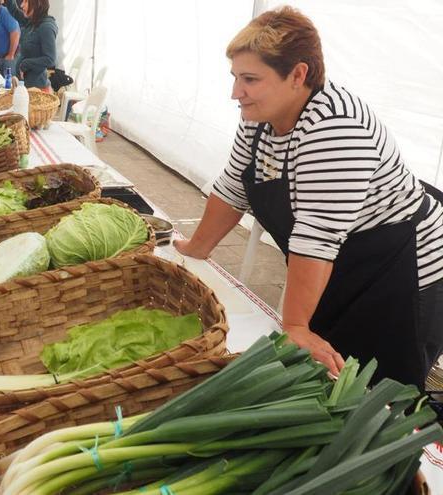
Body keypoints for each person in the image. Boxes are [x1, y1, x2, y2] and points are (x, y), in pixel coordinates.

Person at [174, 7, 443, 390]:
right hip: (338, 263)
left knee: (377, 390)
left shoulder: (335, 128)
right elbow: (234, 186)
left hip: (401, 274)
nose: (236, 92)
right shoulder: (259, 116)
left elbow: (316, 238)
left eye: (250, 79)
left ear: (298, 75)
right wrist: (197, 248)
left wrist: (296, 324)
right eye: (235, 77)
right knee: (324, 366)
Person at [5, 0, 55, 91]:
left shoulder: (46, 27)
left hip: (38, 89)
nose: (22, 5)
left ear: (37, 4)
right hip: (26, 86)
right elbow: (15, 11)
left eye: (26, 2)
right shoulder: (32, 22)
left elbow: (50, 59)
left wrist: (25, 64)